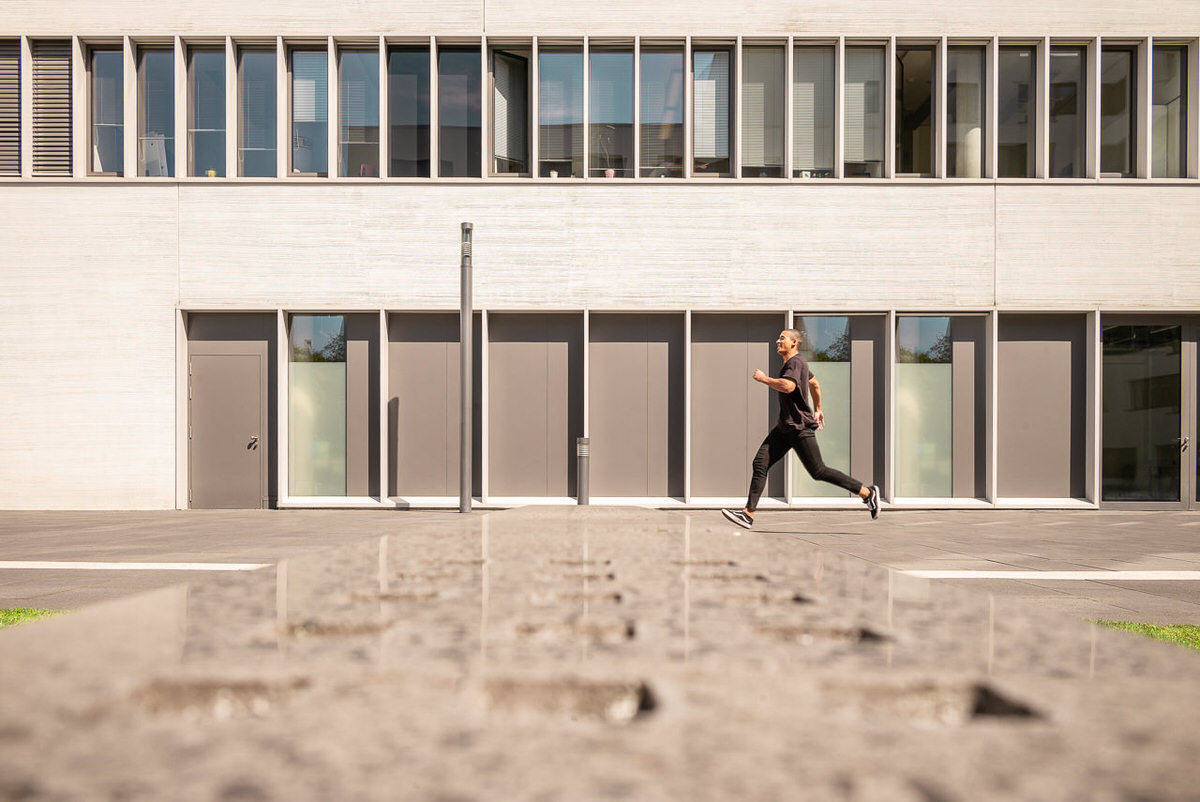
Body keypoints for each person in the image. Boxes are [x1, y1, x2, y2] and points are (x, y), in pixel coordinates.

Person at [722, 329, 879, 530]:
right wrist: (819, 409)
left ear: (794, 343)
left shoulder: (795, 362)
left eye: (782, 338)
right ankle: (747, 514)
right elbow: (814, 383)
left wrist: (764, 379)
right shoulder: (797, 363)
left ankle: (867, 493)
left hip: (798, 427)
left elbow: (788, 386)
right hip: (784, 428)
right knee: (760, 463)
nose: (777, 340)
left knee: (818, 471)